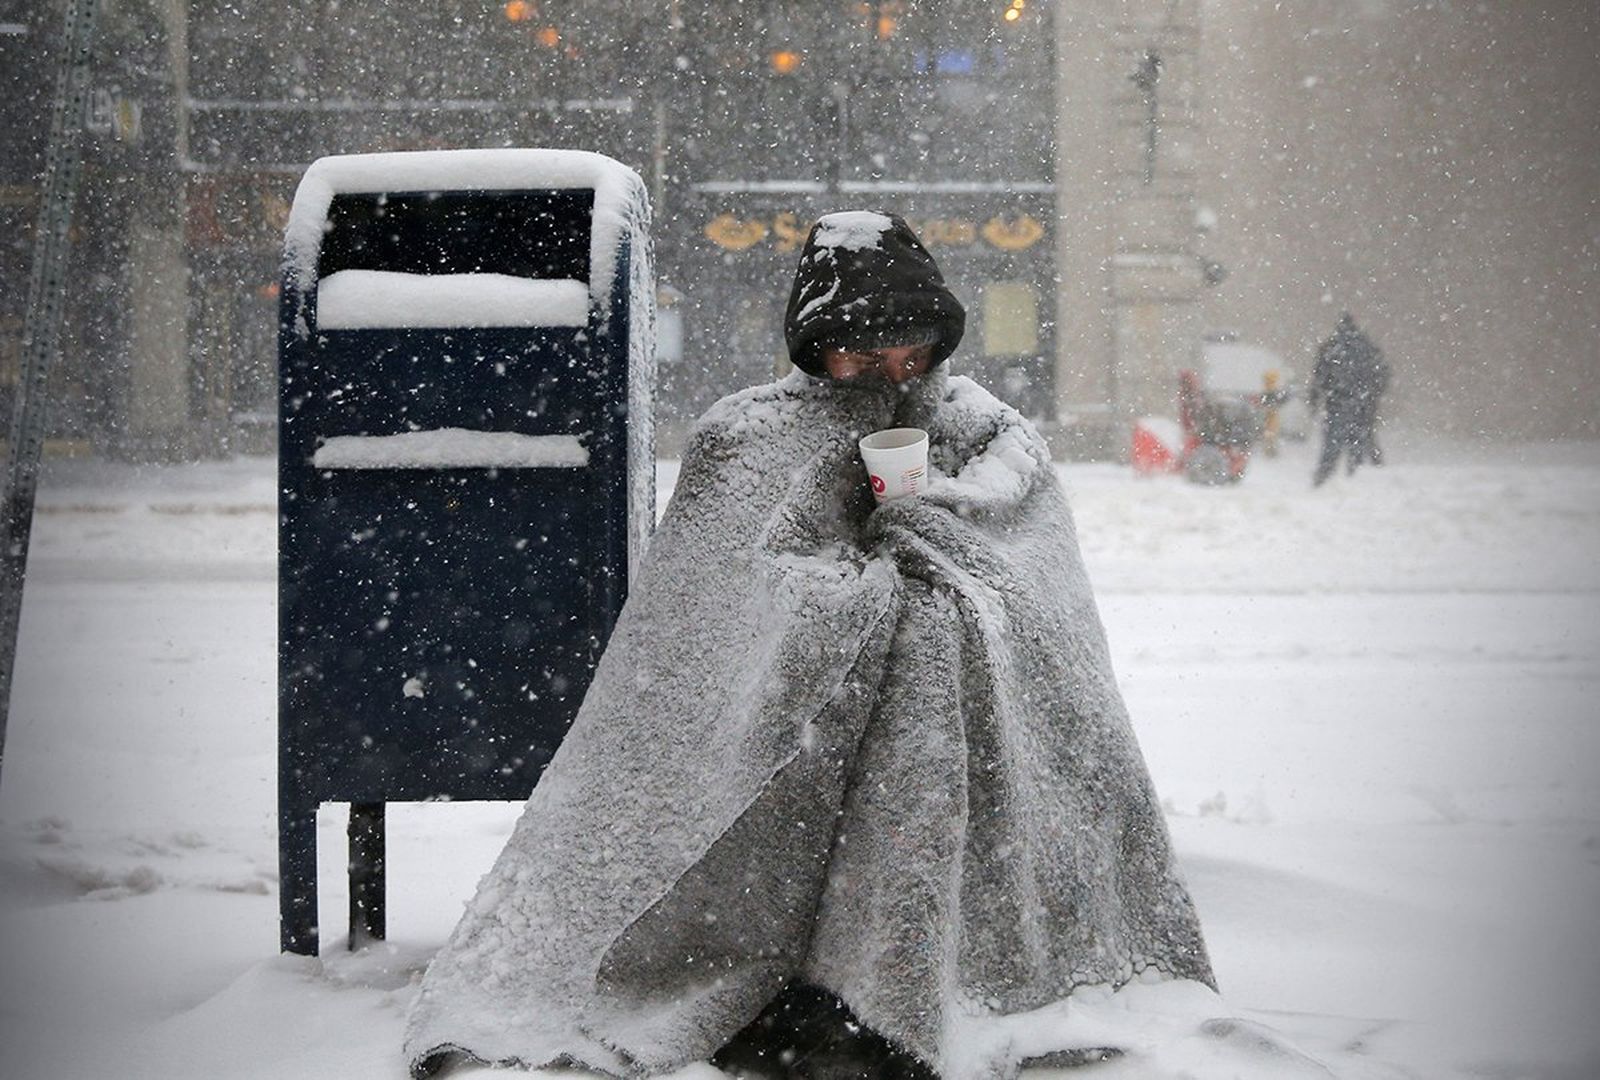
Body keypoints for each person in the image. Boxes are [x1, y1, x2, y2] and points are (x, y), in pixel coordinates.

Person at [404, 212, 1214, 1080]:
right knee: (866, 698)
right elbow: (715, 616)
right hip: (794, 738)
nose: (893, 378)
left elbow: (1033, 601)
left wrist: (926, 541)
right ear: (819, 349)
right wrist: (855, 590)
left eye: (912, 358)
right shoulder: (748, 437)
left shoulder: (988, 434)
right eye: (866, 361)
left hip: (951, 733)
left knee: (931, 671)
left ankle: (895, 978)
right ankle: (798, 973)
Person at [1309, 312, 1390, 485]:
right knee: (1359, 444)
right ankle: (1356, 479)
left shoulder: (1331, 348)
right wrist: (1373, 395)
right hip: (1362, 405)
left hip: (1336, 404)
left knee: (1331, 446)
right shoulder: (1368, 348)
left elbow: (1319, 378)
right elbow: (1381, 374)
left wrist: (1314, 401)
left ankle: (1322, 480)